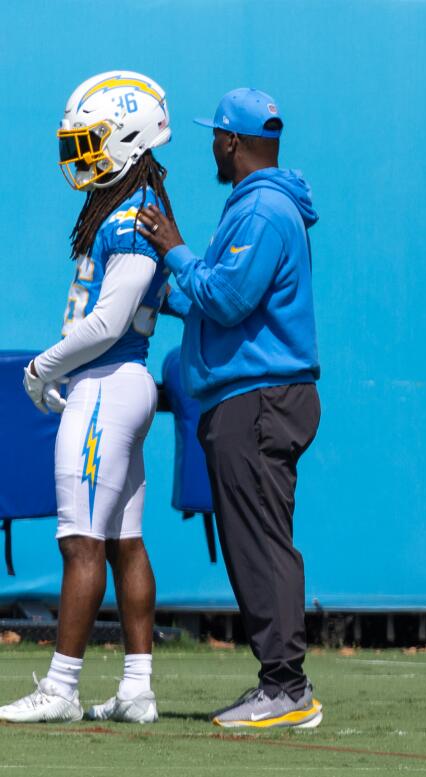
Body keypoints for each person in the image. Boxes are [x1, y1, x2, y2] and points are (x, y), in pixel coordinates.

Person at [135, 88, 323, 727]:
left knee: (262, 542)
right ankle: (279, 682)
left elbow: (228, 298)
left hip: (259, 398)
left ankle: (288, 688)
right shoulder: (255, 206)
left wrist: (176, 251)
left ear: (233, 142)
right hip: (252, 396)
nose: (211, 144)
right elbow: (214, 300)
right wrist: (166, 290)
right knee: (254, 540)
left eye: (215, 134)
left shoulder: (264, 210)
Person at [0, 71, 173, 725]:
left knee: (80, 540)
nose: (80, 155)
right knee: (124, 539)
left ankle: (62, 686)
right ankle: (136, 686)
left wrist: (42, 368)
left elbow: (108, 321)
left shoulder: (130, 217)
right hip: (113, 383)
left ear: (129, 137)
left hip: (105, 382)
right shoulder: (128, 203)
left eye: (92, 141)